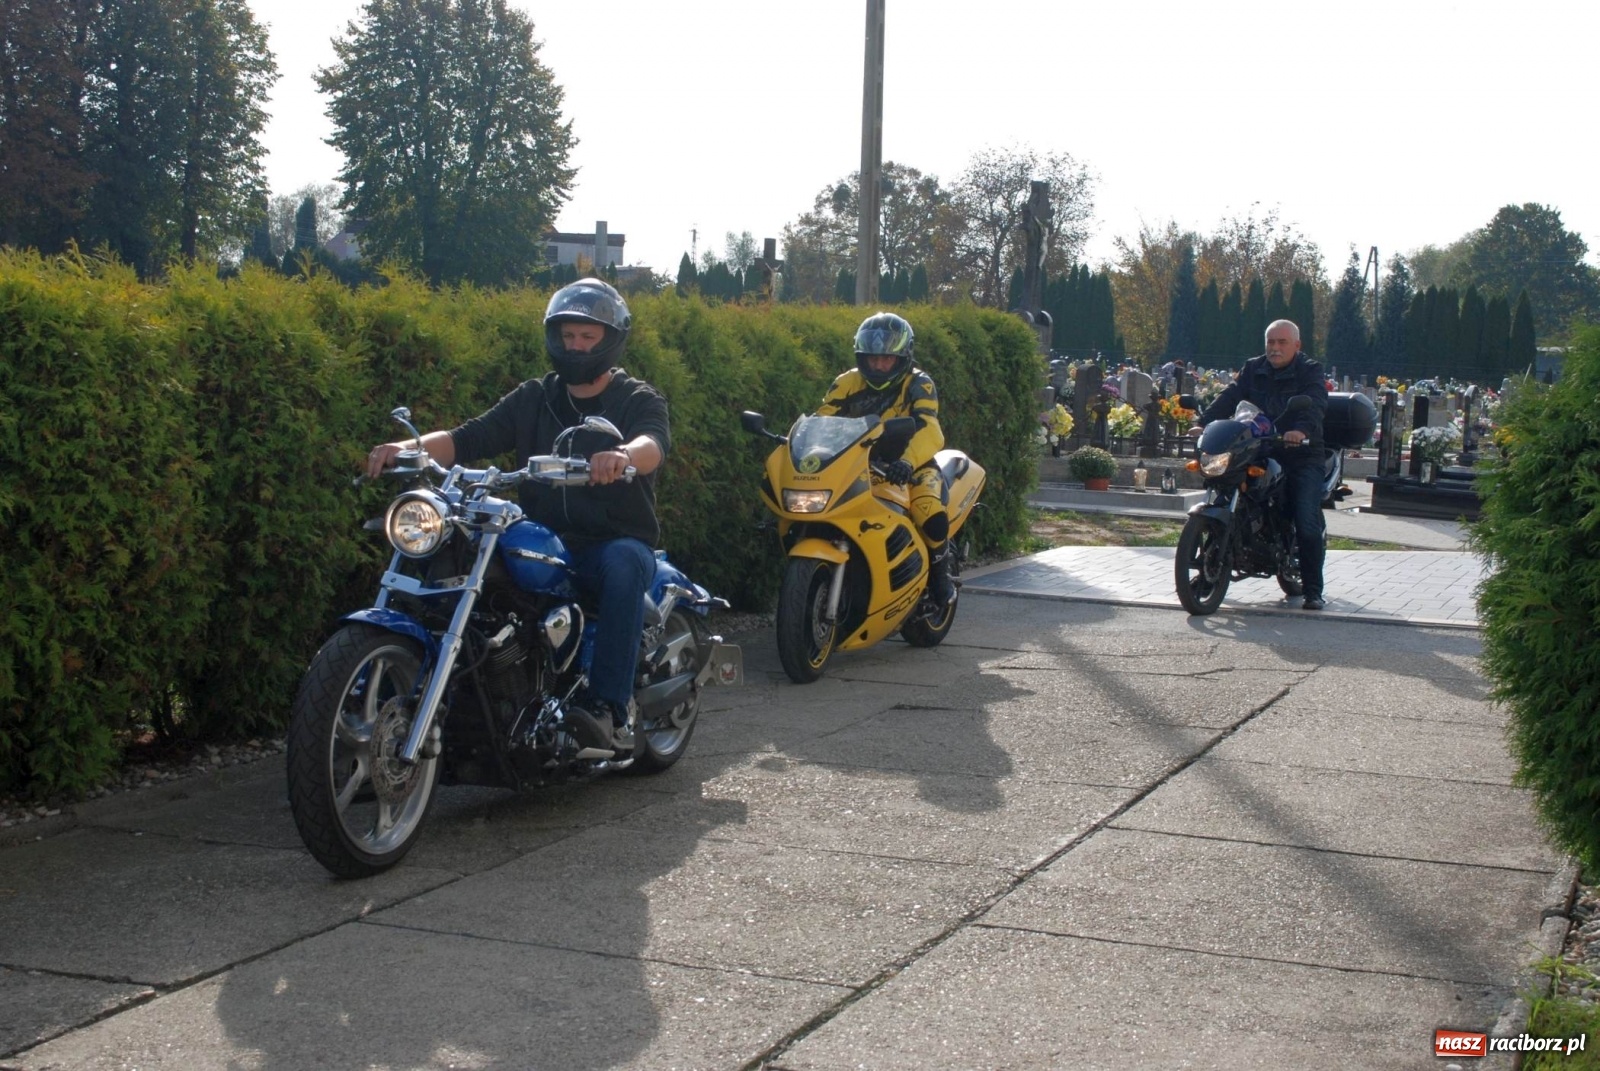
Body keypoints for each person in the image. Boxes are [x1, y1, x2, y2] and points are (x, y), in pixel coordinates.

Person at [365, 278, 668, 753]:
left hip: (610, 540)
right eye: (568, 335)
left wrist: (624, 455)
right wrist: (406, 448)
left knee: (625, 564)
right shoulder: (535, 397)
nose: (576, 345)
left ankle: (608, 710)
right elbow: (468, 437)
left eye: (587, 337)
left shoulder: (636, 398)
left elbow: (652, 444)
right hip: (544, 536)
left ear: (610, 340)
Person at [1187, 319, 1329, 610]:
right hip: (1260, 447)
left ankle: (1313, 589)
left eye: (1282, 342)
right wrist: (1204, 422)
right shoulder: (1254, 368)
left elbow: (1315, 402)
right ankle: (1210, 572)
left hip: (1300, 453)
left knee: (1305, 518)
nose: (1275, 348)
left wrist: (1300, 430)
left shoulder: (1309, 370)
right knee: (1227, 486)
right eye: (1270, 342)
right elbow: (1231, 396)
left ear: (1297, 345)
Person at [815, 312, 954, 605]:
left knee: (929, 512)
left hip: (910, 463)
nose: (878, 365)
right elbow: (822, 421)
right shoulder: (846, 382)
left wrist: (907, 461)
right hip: (857, 463)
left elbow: (930, 428)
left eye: (886, 359)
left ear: (902, 357)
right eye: (872, 358)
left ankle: (941, 574)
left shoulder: (919, 383)